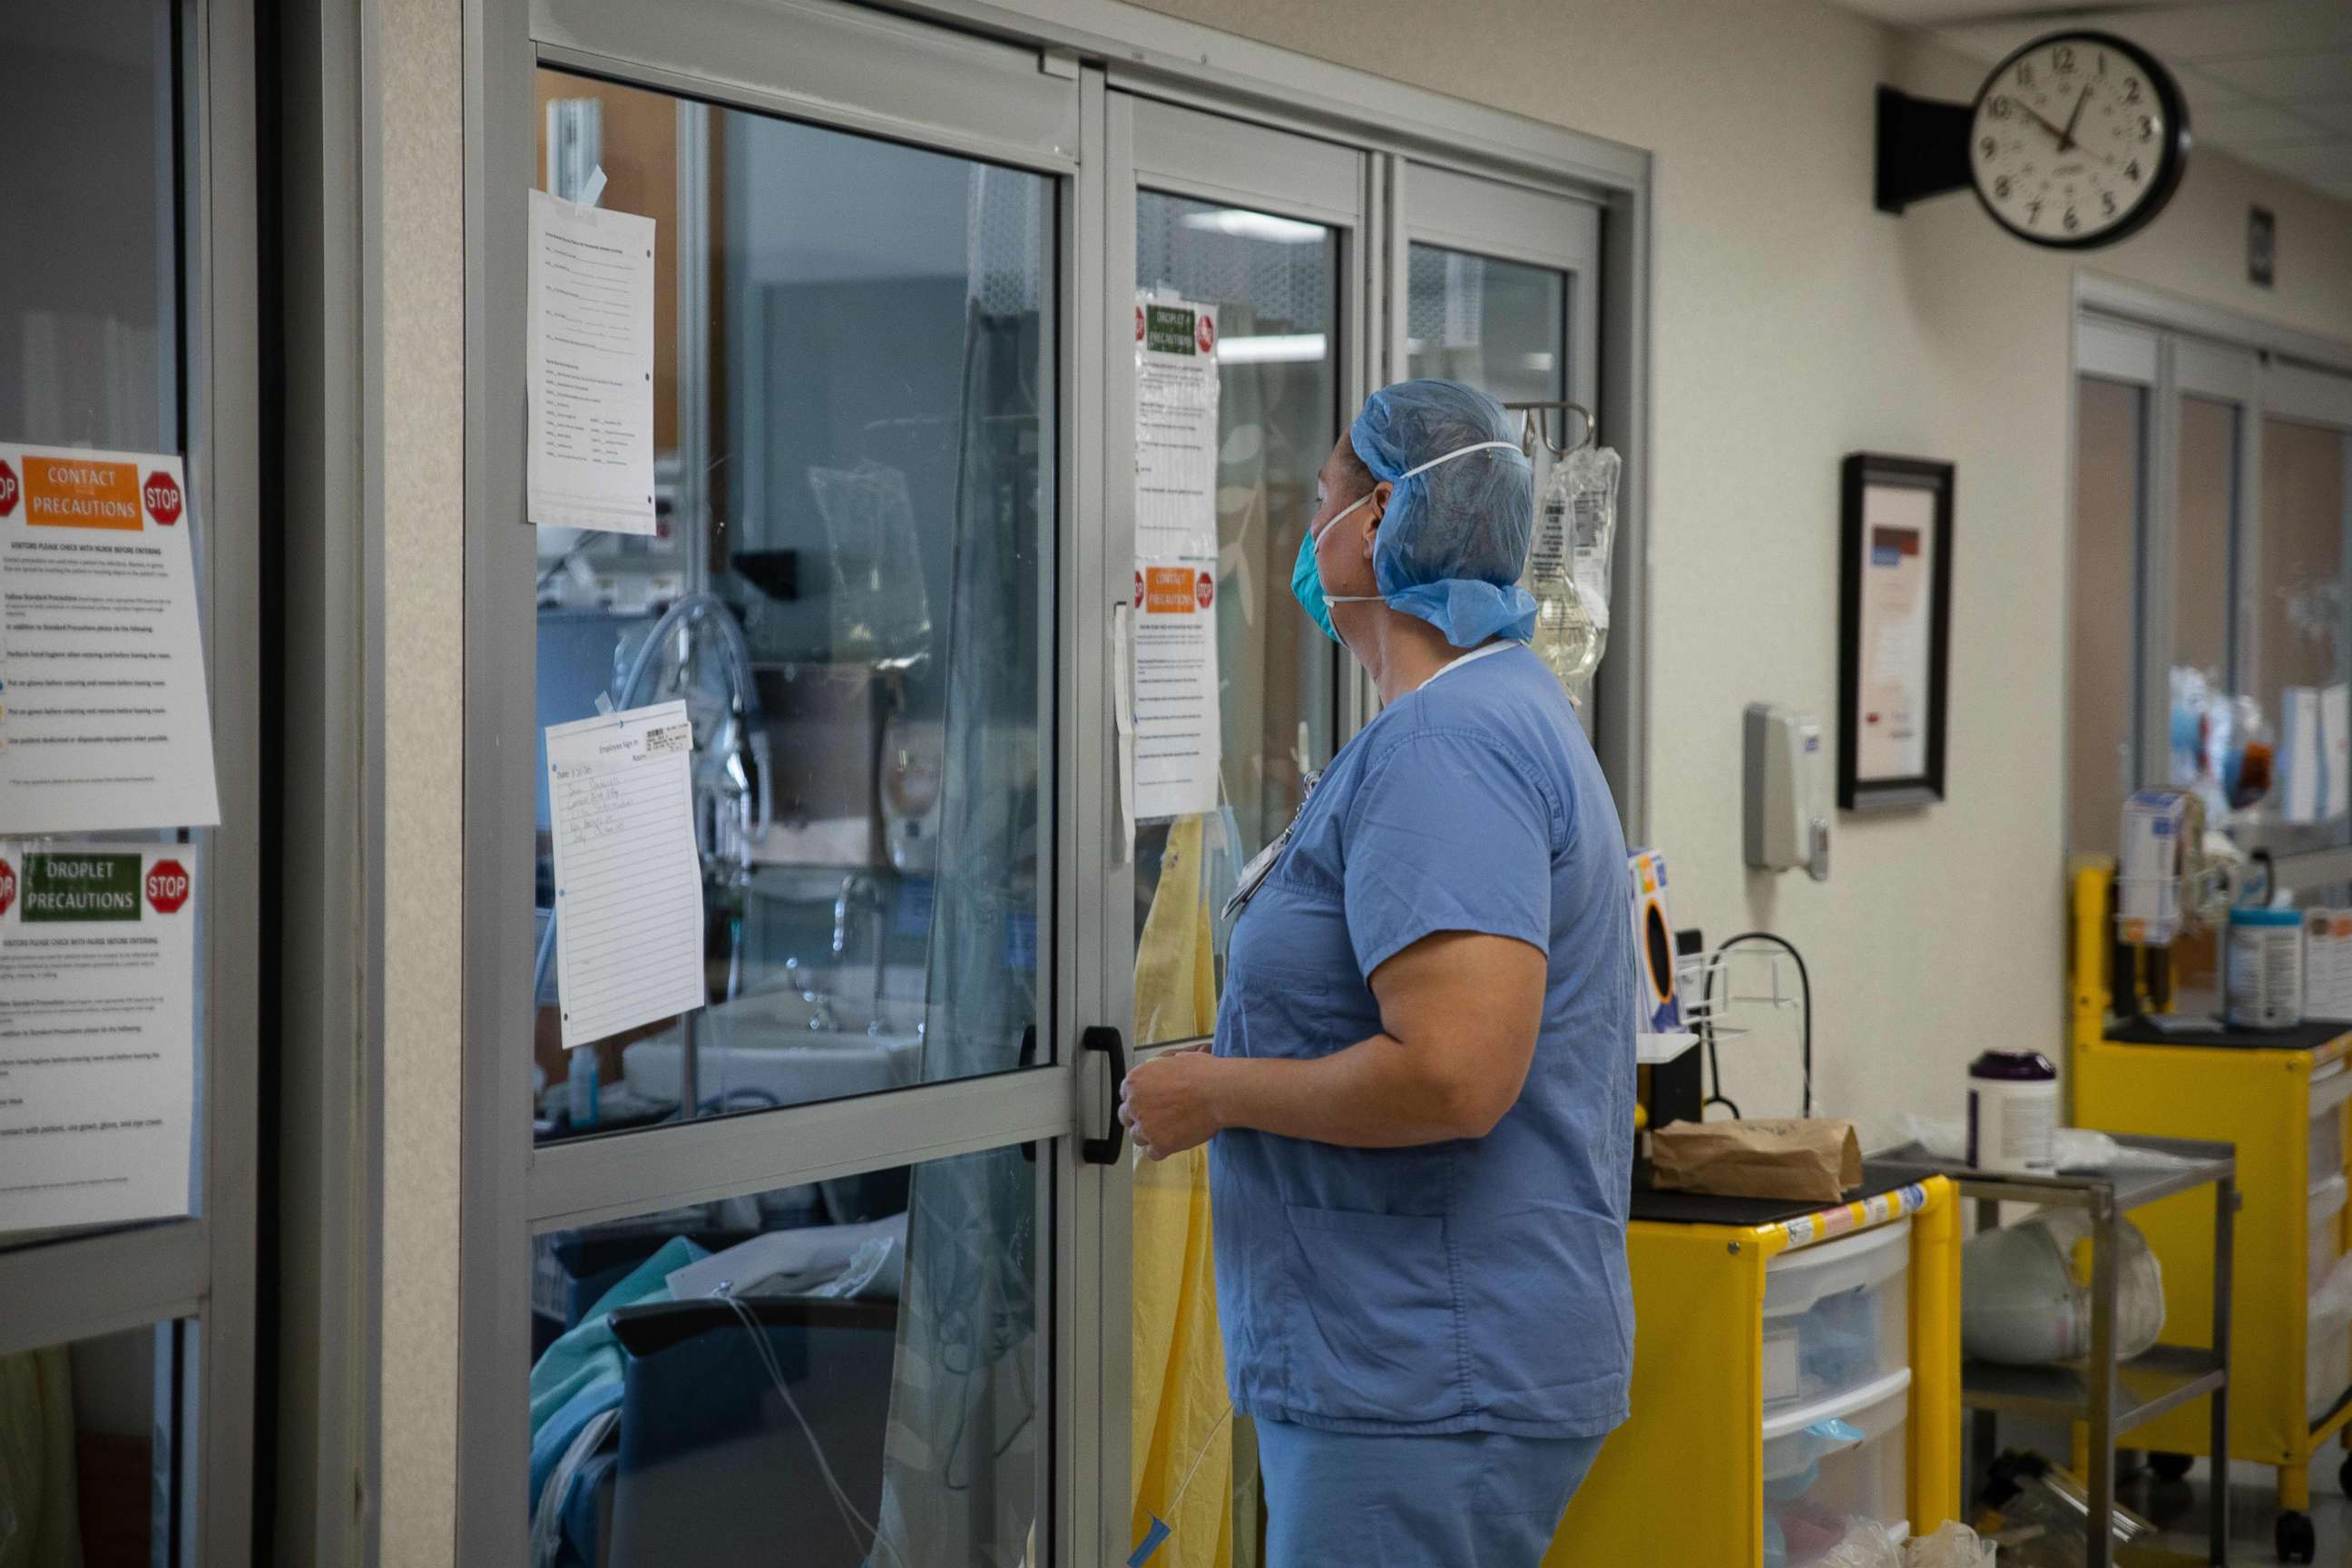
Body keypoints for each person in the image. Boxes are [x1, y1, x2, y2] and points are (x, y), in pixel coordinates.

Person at [1119, 378, 1637, 1567]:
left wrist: (1215, 1091)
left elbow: (1453, 1077)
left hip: (1425, 1372)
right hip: (1420, 1360)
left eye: (1320, 501)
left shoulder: (1448, 744)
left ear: (1382, 521)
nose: (1307, 533)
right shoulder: (1477, 717)